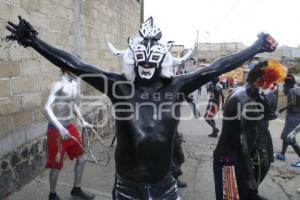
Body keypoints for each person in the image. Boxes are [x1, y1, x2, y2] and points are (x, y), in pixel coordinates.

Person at [6, 16, 277, 200]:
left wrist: (255, 46)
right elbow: (78, 65)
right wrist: (34, 42)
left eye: (152, 62)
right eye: (142, 62)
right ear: (134, 60)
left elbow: (216, 67)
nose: (146, 66)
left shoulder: (177, 86)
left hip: (165, 186)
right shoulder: (119, 86)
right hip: (126, 187)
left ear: (162, 62)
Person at [213, 60, 286, 200]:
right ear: (260, 81)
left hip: (230, 156)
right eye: (271, 82)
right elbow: (243, 143)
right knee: (231, 196)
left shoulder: (238, 90)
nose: (272, 86)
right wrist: (249, 177)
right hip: (230, 160)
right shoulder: (251, 102)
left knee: (239, 194)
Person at [44, 71, 95, 200]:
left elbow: (72, 104)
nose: (77, 69)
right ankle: (52, 194)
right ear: (66, 68)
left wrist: (82, 121)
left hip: (69, 126)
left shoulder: (73, 84)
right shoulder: (58, 85)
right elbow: (46, 108)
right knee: (56, 166)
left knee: (82, 158)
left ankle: (76, 189)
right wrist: (60, 128)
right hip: (56, 129)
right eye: (73, 66)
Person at [275, 74, 300, 163]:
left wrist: (283, 108)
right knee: (286, 135)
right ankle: (282, 154)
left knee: (289, 137)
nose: (284, 84)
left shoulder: (291, 90)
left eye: (285, 83)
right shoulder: (297, 89)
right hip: (296, 115)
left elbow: (292, 103)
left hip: (293, 116)